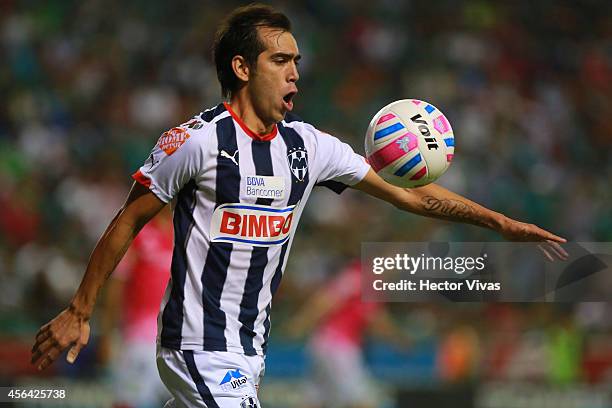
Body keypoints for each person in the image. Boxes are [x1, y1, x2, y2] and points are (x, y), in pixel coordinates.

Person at [31, 4, 567, 407]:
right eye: (280, 60)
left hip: (249, 351)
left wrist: (500, 222)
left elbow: (410, 193)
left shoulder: (309, 147)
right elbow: (128, 218)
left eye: (297, 61)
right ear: (242, 68)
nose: (294, 73)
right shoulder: (196, 142)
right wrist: (81, 309)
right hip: (198, 346)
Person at [288, 259, 410, 408]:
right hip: (338, 347)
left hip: (322, 344)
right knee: (362, 401)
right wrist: (302, 321)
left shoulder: (367, 280)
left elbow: (374, 317)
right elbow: (327, 299)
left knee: (314, 400)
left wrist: (397, 338)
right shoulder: (360, 276)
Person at [98, 207, 173, 408]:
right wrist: (107, 333)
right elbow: (116, 285)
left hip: (178, 339)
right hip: (139, 339)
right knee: (128, 402)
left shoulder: (185, 233)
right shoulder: (137, 233)